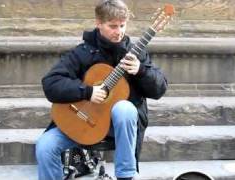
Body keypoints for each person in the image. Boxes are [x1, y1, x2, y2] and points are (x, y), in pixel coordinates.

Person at [35, 0, 167, 179]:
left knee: (125, 108)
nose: (119, 31)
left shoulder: (136, 54)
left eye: (122, 25)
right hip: (83, 121)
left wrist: (141, 71)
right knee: (45, 146)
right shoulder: (82, 53)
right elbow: (51, 83)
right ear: (98, 23)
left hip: (118, 127)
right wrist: (87, 91)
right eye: (112, 26)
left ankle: (126, 175)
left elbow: (159, 89)